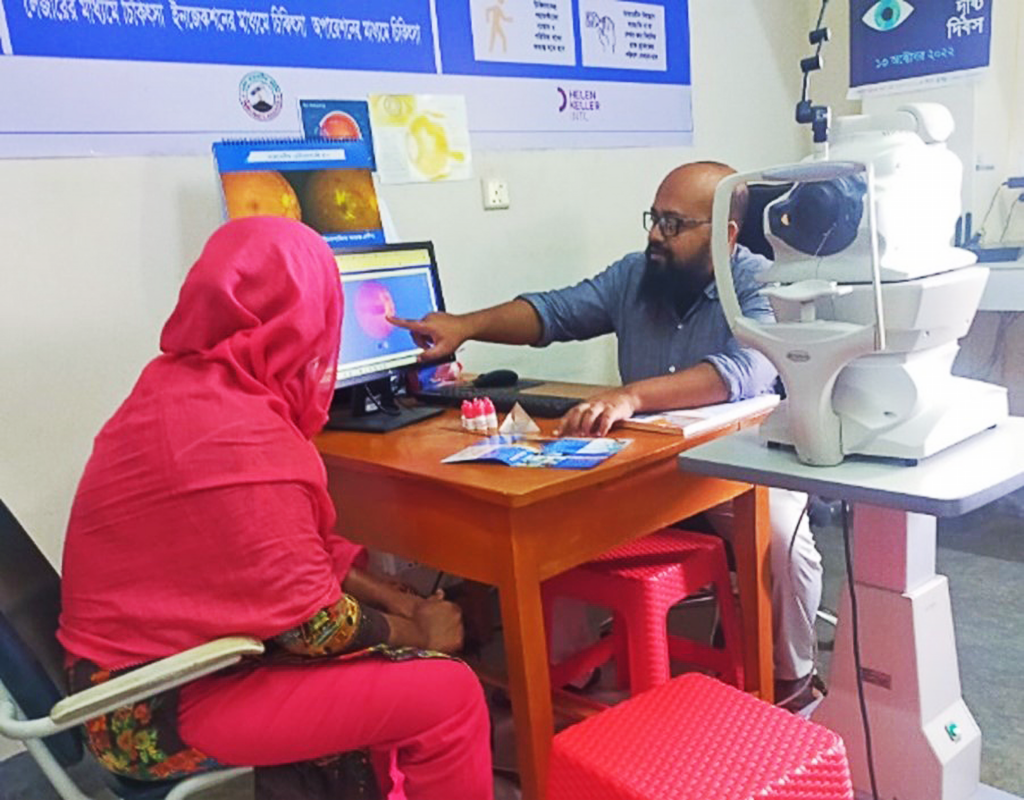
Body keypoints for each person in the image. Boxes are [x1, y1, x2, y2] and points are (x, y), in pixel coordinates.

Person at [57, 217, 493, 799]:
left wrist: (396, 599)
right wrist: (422, 630)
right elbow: (314, 628)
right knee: (447, 694)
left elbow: (288, 567)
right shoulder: (237, 434)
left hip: (145, 669)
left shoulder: (176, 388)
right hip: (155, 700)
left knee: (398, 661)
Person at [391, 161, 823, 710]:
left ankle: (792, 676)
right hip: (649, 461)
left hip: (735, 461)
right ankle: (570, 681)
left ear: (725, 236)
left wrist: (631, 395)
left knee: (785, 538)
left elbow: (745, 371)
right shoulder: (636, 275)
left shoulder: (763, 283)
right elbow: (554, 313)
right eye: (653, 217)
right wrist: (465, 325)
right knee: (552, 516)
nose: (654, 235)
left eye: (672, 224)